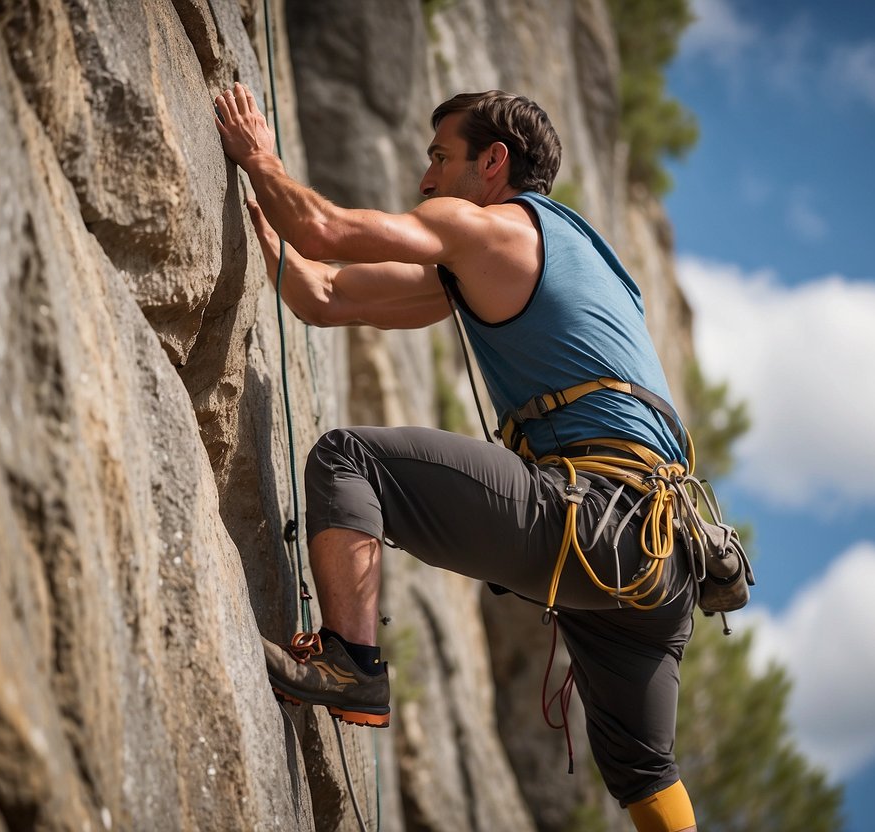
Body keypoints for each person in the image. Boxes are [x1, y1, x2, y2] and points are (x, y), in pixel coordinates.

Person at [215, 81, 699, 832]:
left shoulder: (493, 230)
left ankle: (353, 666)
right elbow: (328, 295)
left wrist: (258, 158)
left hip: (593, 514)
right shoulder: (563, 256)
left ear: (492, 163)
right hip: (663, 559)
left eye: (441, 157)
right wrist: (270, 237)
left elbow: (327, 230)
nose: (426, 179)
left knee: (350, 459)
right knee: (645, 771)